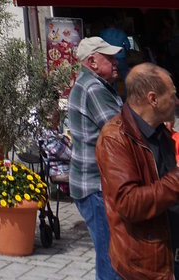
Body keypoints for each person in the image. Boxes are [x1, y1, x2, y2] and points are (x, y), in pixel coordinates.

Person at [96, 63, 179, 280]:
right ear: (153, 99)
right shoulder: (115, 138)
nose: (176, 102)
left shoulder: (160, 130)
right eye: (172, 95)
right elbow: (129, 204)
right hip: (144, 266)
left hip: (169, 253)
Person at [67, 36, 124, 280]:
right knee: (111, 259)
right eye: (109, 58)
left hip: (94, 184)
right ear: (92, 61)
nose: (115, 62)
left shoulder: (96, 85)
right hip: (96, 187)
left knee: (112, 255)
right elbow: (120, 131)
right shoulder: (93, 88)